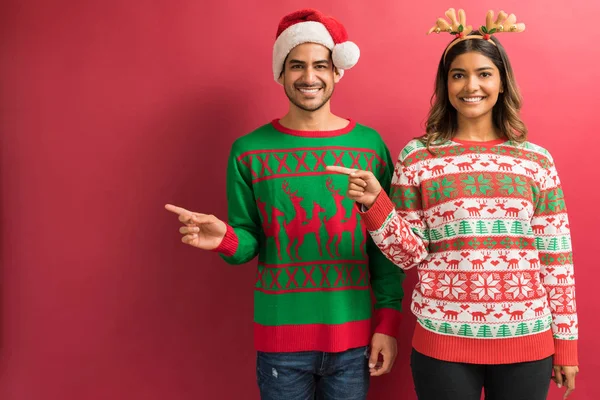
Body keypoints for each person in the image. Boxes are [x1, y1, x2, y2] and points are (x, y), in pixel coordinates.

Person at [327, 8, 579, 400]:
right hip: (443, 344)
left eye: (483, 73)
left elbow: (556, 258)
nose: (470, 85)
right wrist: (375, 204)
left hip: (528, 343)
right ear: (445, 84)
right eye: (458, 75)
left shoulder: (536, 161)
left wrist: (566, 343)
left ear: (501, 82)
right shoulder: (418, 157)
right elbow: (407, 255)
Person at [165, 8, 405, 400]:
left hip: (354, 338)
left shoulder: (369, 148)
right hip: (280, 344)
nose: (309, 77)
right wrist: (225, 238)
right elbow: (248, 241)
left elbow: (386, 244)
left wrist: (388, 322)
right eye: (296, 66)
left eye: (320, 66)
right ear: (281, 73)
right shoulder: (248, 152)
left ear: (336, 72)